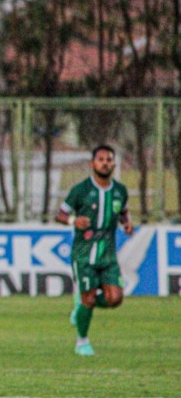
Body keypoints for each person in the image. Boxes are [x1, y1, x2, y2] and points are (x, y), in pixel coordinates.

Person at [56, 145, 133, 356]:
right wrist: (73, 220)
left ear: (114, 164)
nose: (105, 163)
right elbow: (60, 215)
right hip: (83, 254)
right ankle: (82, 341)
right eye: (101, 159)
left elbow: (123, 210)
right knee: (88, 297)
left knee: (115, 299)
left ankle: (80, 310)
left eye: (109, 159)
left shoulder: (120, 190)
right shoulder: (80, 190)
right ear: (92, 164)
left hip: (108, 254)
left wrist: (127, 223)